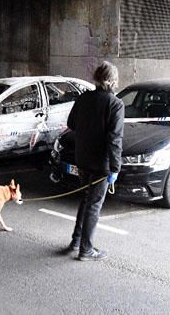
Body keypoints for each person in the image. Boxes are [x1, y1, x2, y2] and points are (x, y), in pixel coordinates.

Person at [65, 61, 124, 261]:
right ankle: (86, 250)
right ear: (113, 81)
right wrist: (115, 169)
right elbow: (115, 139)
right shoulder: (115, 104)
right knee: (94, 205)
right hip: (101, 164)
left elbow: (71, 123)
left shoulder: (83, 98)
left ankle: (76, 241)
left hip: (82, 159)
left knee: (86, 200)